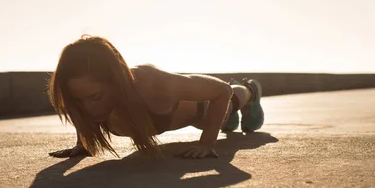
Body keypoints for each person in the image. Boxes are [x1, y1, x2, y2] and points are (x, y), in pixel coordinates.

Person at [48, 35, 264, 159]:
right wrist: (83, 144)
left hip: (206, 108)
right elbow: (83, 102)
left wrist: (208, 143)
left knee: (233, 98)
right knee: (225, 119)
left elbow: (221, 92)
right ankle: (229, 118)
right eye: (78, 101)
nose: (87, 109)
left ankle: (251, 90)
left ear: (116, 82)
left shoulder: (153, 83)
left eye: (95, 98)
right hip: (192, 119)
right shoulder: (84, 96)